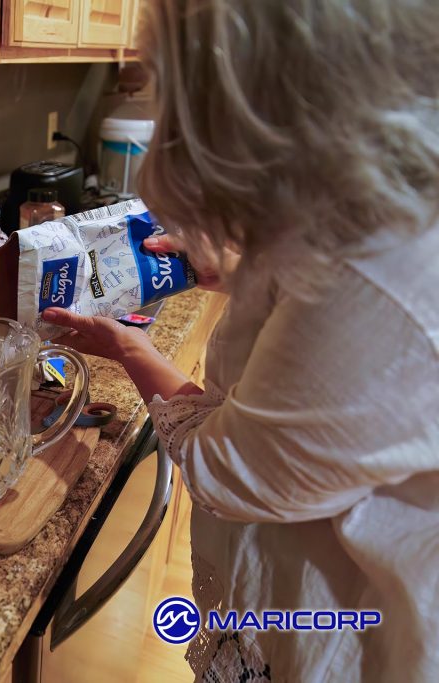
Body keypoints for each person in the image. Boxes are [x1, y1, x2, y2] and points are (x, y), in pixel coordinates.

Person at [43, 0, 439, 680]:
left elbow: (230, 470)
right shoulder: (383, 195)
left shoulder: (380, 271)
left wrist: (133, 350)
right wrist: (248, 273)